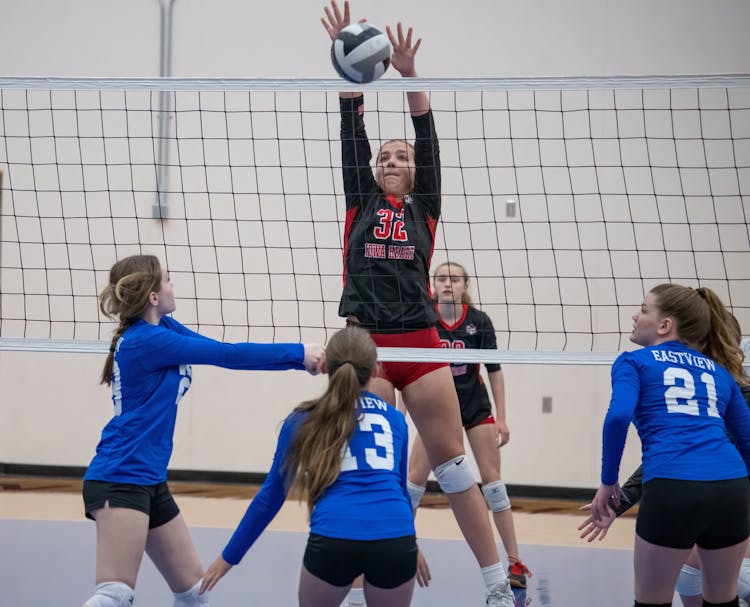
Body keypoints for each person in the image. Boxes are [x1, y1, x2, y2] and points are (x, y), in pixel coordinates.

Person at [322, 2, 514, 605]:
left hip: (420, 338)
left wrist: (409, 78)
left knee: (454, 467)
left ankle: (498, 583)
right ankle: (365, 564)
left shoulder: (424, 206)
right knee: (372, 463)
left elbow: (427, 137)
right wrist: (350, 75)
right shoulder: (361, 199)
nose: (392, 162)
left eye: (400, 157)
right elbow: (352, 131)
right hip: (366, 344)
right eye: (385, 157)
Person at [80, 254, 324, 607]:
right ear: (152, 296)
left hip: (149, 479)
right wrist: (300, 353)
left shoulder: (164, 329)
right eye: (168, 280)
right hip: (120, 478)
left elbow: (226, 354)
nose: (172, 285)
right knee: (115, 594)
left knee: (193, 593)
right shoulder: (146, 341)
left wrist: (300, 363)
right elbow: (228, 355)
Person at [199, 326, 417, 606]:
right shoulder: (395, 421)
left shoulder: (302, 420)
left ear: (326, 367)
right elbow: (399, 492)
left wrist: (226, 559)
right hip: (396, 539)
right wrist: (412, 544)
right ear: (376, 370)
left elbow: (270, 498)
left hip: (334, 537)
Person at [590, 283, 750, 607]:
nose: (635, 316)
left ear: (665, 325)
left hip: (672, 488)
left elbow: (618, 417)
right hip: (730, 489)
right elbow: (747, 440)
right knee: (722, 598)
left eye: (644, 309)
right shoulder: (720, 372)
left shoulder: (633, 362)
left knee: (652, 600)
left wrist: (608, 482)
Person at [406, 261, 531, 589]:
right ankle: (397, 547)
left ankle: (515, 563)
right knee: (413, 482)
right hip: (435, 410)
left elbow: (494, 370)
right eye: (442, 278)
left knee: (494, 486)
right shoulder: (424, 318)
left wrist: (501, 417)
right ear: (433, 285)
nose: (448, 283)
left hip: (474, 407)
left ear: (465, 285)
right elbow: (408, 369)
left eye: (455, 278)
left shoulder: (478, 321)